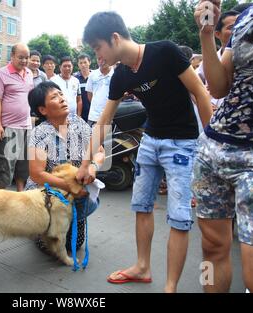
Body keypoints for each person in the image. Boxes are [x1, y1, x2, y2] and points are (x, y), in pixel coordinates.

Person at [78, 11, 213, 292]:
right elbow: (103, 121)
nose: (97, 56)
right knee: (141, 206)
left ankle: (171, 286)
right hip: (150, 141)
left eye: (97, 48)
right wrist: (84, 163)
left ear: (114, 38)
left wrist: (211, 144)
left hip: (183, 143)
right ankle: (142, 267)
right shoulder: (121, 75)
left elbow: (200, 94)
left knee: (178, 216)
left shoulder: (165, 52)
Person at [194, 0, 253, 292]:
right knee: (210, 250)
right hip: (213, 147)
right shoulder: (245, 17)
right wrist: (206, 34)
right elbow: (219, 86)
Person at [26, 81, 105, 252]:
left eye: (61, 94)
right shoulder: (39, 133)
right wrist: (72, 186)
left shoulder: (78, 123)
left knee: (75, 244)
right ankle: (39, 227)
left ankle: (71, 218)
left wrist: (92, 167)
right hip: (49, 193)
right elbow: (37, 174)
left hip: (76, 189)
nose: (62, 99)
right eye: (54, 97)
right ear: (43, 110)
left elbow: (99, 151)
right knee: (51, 247)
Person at [0, 43, 34, 191]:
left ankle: (21, 195)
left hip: (27, 127)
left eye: (26, 58)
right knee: (5, 167)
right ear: (12, 56)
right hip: (9, 128)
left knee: (23, 166)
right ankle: (1, 200)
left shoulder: (29, 73)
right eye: (21, 57)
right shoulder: (1, 73)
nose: (24, 61)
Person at [196, 10, 239, 110]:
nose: (238, 29)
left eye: (241, 24)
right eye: (231, 27)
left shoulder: (249, 58)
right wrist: (206, 102)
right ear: (217, 34)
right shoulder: (208, 62)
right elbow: (193, 87)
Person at [86, 59, 114, 127]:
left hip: (109, 116)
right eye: (99, 59)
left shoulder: (115, 74)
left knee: (105, 137)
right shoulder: (92, 75)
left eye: (105, 58)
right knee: (93, 137)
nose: (102, 61)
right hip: (94, 116)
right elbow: (89, 94)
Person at [74, 53, 92, 122]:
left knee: (99, 132)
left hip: (94, 112)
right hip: (80, 113)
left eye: (85, 62)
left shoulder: (95, 76)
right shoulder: (74, 78)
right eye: (80, 63)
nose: (83, 65)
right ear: (78, 64)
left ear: (89, 62)